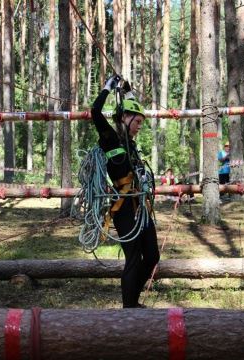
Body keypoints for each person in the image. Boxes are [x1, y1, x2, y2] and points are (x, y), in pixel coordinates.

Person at [91, 75, 159, 308]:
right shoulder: (110, 138)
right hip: (122, 206)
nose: (140, 127)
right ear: (125, 118)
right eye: (137, 122)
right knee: (133, 258)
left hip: (140, 204)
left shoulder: (131, 143)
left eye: (141, 122)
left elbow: (131, 107)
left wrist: (129, 92)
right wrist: (107, 88)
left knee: (152, 257)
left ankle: (133, 302)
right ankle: (129, 307)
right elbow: (95, 113)